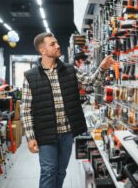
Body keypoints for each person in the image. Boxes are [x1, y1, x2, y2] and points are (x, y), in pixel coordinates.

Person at [21, 32, 115, 188]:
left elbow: (90, 84)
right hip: (45, 132)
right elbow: (26, 110)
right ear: (42, 50)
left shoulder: (70, 69)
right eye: (52, 44)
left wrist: (103, 68)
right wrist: (31, 137)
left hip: (67, 133)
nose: (58, 46)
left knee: (61, 171)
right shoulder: (30, 76)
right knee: (48, 170)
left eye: (57, 42)